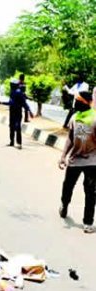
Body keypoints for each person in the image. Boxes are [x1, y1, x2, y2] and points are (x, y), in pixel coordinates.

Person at [58, 91, 96, 234]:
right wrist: (63, 156)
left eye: (77, 100)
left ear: (85, 102)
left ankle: (88, 222)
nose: (75, 103)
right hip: (75, 160)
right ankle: (64, 204)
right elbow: (70, 138)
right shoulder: (74, 117)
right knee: (67, 186)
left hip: (92, 161)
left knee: (90, 192)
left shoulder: (95, 118)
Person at [0, 79, 31, 149]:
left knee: (17, 127)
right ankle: (12, 142)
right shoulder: (13, 92)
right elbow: (14, 102)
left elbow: (22, 103)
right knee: (12, 127)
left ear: (13, 85)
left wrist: (29, 111)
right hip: (13, 112)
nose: (10, 86)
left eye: (11, 85)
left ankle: (18, 143)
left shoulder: (18, 92)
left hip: (17, 112)